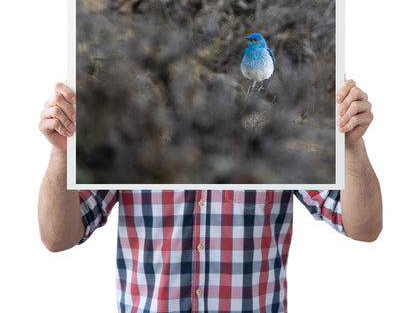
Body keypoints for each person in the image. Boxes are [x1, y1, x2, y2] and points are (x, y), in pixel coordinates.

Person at [38, 79, 382, 313]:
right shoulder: (127, 124)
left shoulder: (278, 123)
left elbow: (363, 227)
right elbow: (58, 237)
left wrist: (351, 147)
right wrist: (62, 154)